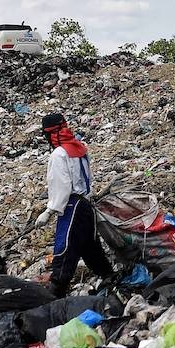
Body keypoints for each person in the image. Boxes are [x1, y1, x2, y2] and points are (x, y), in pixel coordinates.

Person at [37, 112, 115, 296]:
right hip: (86, 205)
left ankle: (55, 294)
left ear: (51, 134)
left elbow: (62, 185)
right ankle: (111, 278)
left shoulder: (58, 154)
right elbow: (89, 178)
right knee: (90, 248)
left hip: (72, 207)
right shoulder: (80, 149)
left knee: (65, 249)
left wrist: (49, 211)